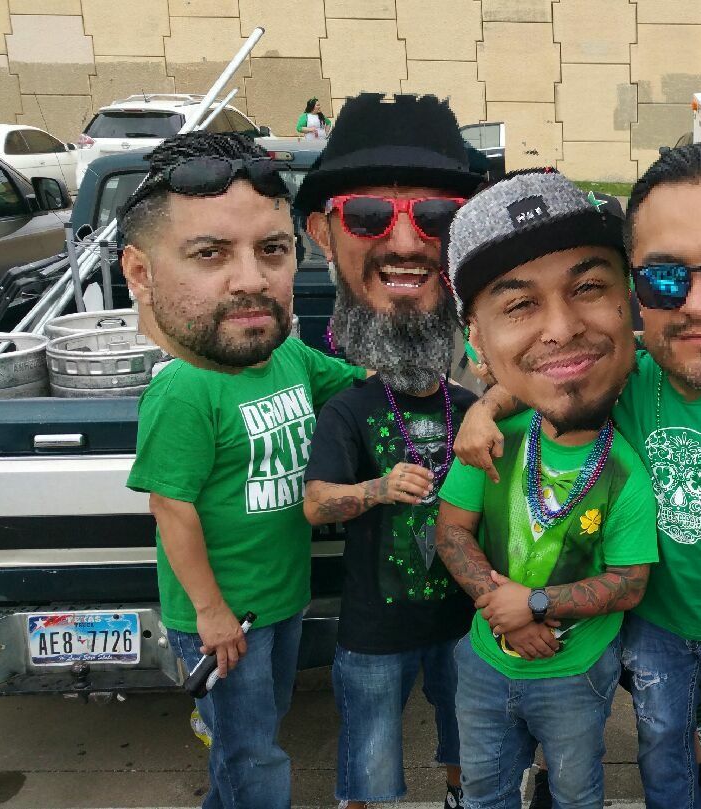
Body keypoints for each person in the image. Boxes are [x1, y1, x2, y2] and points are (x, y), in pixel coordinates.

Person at [456, 144, 701, 809]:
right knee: (661, 739)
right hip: (656, 621)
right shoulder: (635, 375)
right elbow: (558, 376)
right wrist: (487, 407)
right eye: (664, 280)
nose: (698, 306)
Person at [120, 131, 364, 809]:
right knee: (253, 754)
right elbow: (171, 509)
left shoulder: (284, 356)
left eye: (272, 250)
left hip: (280, 600)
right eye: (211, 253)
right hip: (225, 620)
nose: (252, 280)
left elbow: (357, 382)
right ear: (140, 273)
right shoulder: (184, 391)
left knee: (254, 733)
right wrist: (211, 614)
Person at [435, 168, 660, 809]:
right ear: (475, 341)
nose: (561, 327)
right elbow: (451, 530)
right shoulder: (491, 440)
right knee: (484, 790)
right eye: (519, 304)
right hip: (485, 661)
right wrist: (502, 606)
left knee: (576, 792)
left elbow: (630, 583)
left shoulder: (624, 471)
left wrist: (533, 605)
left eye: (587, 287)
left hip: (575, 672)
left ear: (630, 302)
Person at [297, 93, 483, 809]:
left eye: (436, 216)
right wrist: (378, 489)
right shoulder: (347, 408)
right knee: (368, 763)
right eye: (370, 214)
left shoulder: (473, 405)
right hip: (375, 632)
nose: (406, 241)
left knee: (469, 743)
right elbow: (317, 503)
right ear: (322, 232)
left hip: (462, 624)